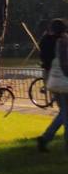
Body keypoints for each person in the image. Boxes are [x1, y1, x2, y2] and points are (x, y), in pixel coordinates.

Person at [38, 18, 68, 153]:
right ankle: (47, 138)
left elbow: (44, 60)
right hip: (64, 81)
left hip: (52, 79)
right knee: (65, 113)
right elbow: (65, 64)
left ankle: (45, 138)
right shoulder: (62, 42)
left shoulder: (45, 41)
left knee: (63, 112)